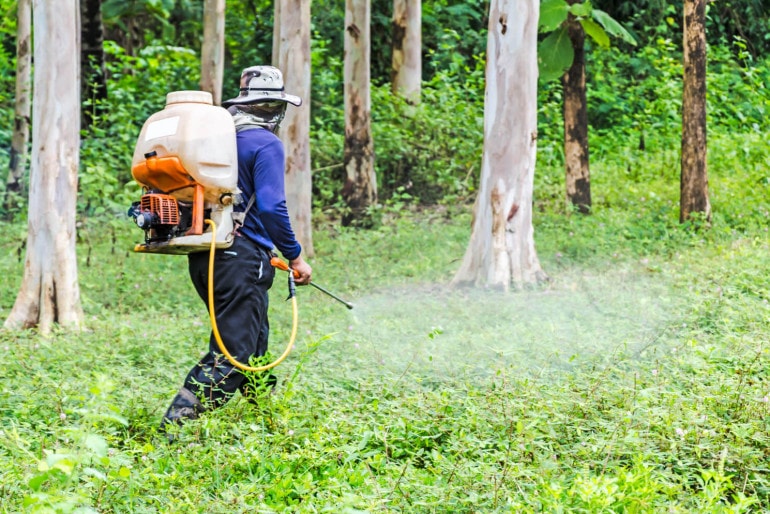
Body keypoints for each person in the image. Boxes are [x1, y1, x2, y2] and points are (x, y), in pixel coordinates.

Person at [160, 65, 312, 431]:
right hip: (240, 260)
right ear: (272, 107)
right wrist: (295, 255)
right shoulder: (265, 143)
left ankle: (269, 425)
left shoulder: (218, 143)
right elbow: (273, 207)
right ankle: (173, 426)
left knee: (254, 344)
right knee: (235, 355)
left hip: (206, 255)